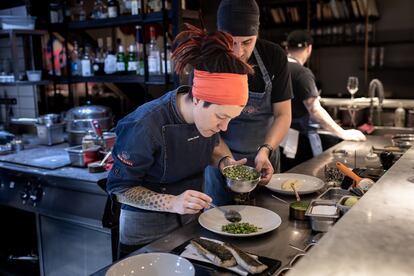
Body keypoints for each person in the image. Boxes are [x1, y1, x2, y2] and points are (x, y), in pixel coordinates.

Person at [106, 24, 254, 258]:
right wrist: (171, 202)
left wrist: (226, 162)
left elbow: (214, 144)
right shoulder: (144, 125)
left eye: (230, 119)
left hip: (191, 225)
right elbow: (120, 189)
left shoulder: (208, 118)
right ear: (197, 100)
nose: (224, 127)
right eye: (221, 117)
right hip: (145, 235)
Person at [203, 0, 293, 205]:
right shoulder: (207, 61)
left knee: (271, 217)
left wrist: (265, 150)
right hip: (219, 158)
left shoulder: (274, 57)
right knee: (220, 224)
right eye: (230, 42)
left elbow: (283, 114)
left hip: (265, 157)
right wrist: (226, 161)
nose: (237, 52)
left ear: (257, 34)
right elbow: (202, 124)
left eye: (247, 42)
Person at [280, 30, 366, 172]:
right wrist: (342, 133)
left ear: (286, 48)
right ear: (309, 48)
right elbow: (314, 109)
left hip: (278, 141)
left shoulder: (277, 69)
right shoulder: (302, 73)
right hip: (300, 144)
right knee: (306, 182)